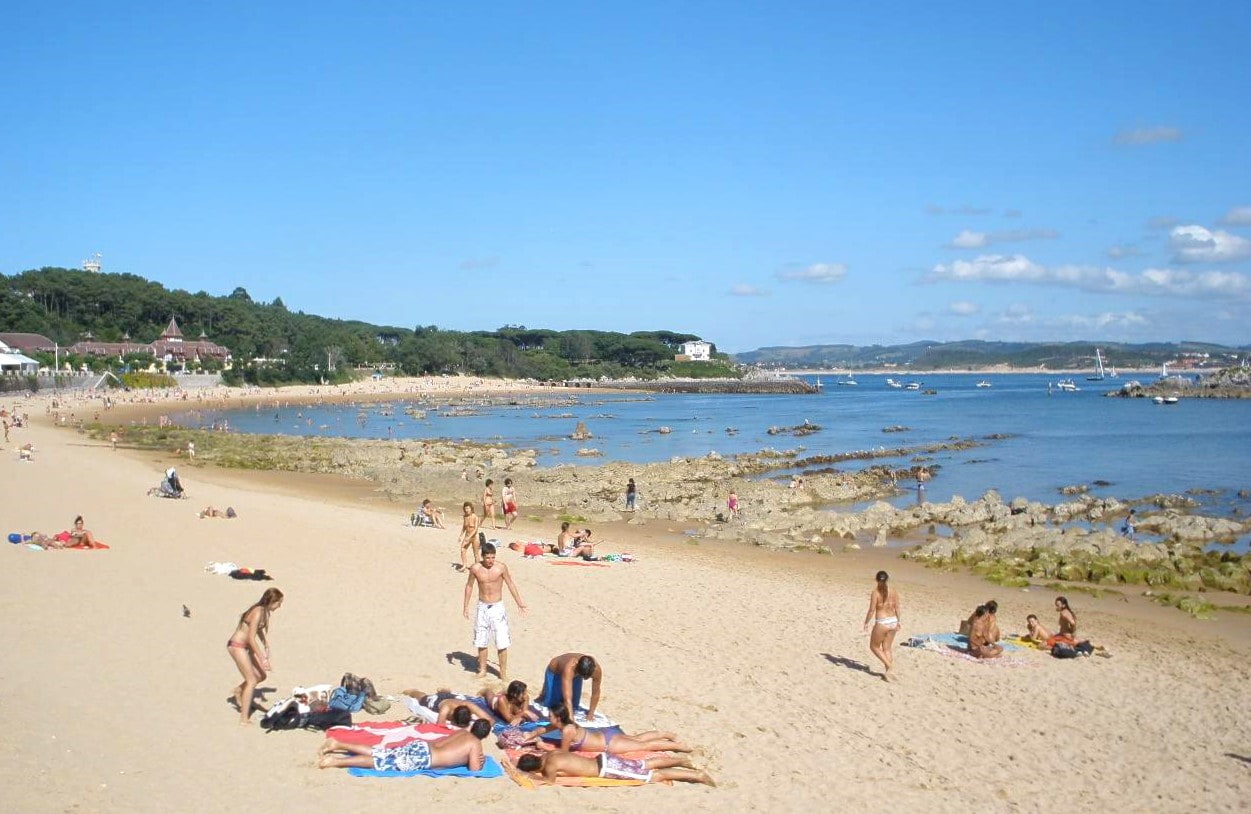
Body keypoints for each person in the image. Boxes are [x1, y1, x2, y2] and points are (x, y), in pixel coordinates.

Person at [317, 718, 491, 771]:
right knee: (382, 762)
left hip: (422, 746)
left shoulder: (462, 732)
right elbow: (475, 769)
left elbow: (441, 742)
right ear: (485, 735)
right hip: (426, 757)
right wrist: (479, 761)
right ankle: (337, 761)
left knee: (380, 752)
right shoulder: (475, 743)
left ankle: (337, 743)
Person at [463, 542, 528, 680]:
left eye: (493, 557)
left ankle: (502, 672)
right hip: (482, 607)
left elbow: (510, 584)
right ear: (482, 556)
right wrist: (466, 606)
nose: (490, 561)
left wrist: (519, 603)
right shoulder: (475, 568)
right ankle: (482, 669)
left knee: (502, 641)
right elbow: (469, 586)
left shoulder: (501, 568)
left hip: (497, 607)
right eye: (488, 558)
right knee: (481, 640)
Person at [532, 704, 692, 753]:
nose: (549, 717)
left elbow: (564, 753)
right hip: (605, 735)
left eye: (551, 715)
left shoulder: (567, 730)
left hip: (608, 744)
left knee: (643, 746)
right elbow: (542, 730)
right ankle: (666, 734)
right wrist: (528, 736)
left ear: (558, 717)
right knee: (636, 739)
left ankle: (677, 746)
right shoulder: (563, 723)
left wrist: (542, 746)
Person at [227, 588, 284, 724]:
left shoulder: (264, 612)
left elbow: (257, 630)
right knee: (252, 680)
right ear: (272, 601)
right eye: (279, 603)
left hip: (245, 646)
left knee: (261, 676)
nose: (279, 606)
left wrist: (265, 643)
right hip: (237, 646)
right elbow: (251, 638)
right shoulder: (258, 611)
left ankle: (239, 690)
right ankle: (243, 718)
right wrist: (263, 658)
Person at [515, 750, 714, 786]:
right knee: (643, 764)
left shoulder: (549, 766)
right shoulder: (550, 755)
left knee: (652, 776)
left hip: (606, 769)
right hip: (603, 758)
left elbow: (549, 781)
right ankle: (682, 761)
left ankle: (696, 775)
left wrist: (533, 778)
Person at [538, 653, 602, 719]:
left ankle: (544, 692)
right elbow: (567, 698)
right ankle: (544, 693)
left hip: (576, 675)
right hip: (555, 672)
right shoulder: (569, 667)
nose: (585, 679)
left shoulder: (596, 670)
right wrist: (571, 719)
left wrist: (591, 713)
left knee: (574, 706)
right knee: (553, 706)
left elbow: (595, 692)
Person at [863, 570, 901, 681]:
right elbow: (897, 608)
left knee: (874, 646)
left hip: (882, 622)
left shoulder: (875, 593)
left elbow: (871, 610)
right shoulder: (893, 591)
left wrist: (866, 622)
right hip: (893, 620)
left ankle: (889, 667)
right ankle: (888, 673)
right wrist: (898, 622)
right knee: (887, 648)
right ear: (887, 579)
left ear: (876, 580)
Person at [400, 689, 496, 725]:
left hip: (455, 697)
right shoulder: (446, 708)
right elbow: (440, 723)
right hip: (438, 701)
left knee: (449, 694)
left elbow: (491, 720)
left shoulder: (470, 705)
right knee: (422, 697)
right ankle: (412, 691)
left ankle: (444, 691)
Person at [457, 501, 480, 571]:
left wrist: (469, 537)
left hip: (474, 537)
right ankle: (464, 565)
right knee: (462, 549)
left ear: (471, 509)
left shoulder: (475, 517)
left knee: (476, 553)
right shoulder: (465, 517)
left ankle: (477, 568)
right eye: (465, 508)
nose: (467, 510)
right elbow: (464, 527)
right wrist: (461, 536)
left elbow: (475, 529)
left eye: (468, 508)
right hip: (467, 536)